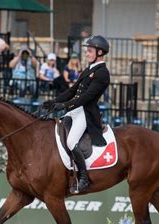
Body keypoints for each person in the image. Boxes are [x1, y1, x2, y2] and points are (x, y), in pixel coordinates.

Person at [43, 36, 110, 194]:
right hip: (75, 110)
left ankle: (84, 177)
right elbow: (72, 91)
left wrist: (64, 105)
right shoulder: (88, 70)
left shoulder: (102, 73)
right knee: (58, 132)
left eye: (89, 51)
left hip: (86, 113)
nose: (86, 53)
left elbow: (86, 97)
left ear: (99, 52)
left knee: (72, 141)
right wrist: (54, 102)